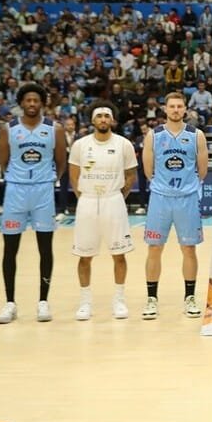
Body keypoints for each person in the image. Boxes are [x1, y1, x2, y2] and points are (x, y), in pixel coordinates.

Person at [0, 83, 67, 324]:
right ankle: (10, 303)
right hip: (16, 191)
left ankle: (43, 302)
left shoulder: (54, 129)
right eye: (28, 101)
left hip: (43, 191)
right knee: (10, 248)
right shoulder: (8, 129)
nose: (32, 104)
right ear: (21, 103)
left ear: (42, 103)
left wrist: (46, 180)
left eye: (36, 100)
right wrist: (19, 178)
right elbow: (3, 161)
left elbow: (61, 162)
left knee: (45, 248)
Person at [142, 92, 209, 320]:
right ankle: (151, 299)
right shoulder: (154, 135)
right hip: (160, 198)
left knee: (189, 249)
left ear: (185, 109)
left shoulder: (195, 135)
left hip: (187, 198)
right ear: (165, 109)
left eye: (180, 106)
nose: (176, 110)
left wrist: (187, 186)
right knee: (154, 248)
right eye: (172, 106)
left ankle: (189, 298)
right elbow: (148, 170)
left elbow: (202, 170)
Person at [68, 101, 138, 320]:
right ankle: (85, 303)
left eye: (107, 116)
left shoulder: (124, 144)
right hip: (87, 201)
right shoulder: (80, 145)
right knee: (84, 255)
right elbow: (73, 175)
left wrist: (118, 197)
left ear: (112, 120)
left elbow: (130, 176)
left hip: (113, 200)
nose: (103, 120)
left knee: (119, 253)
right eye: (99, 116)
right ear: (92, 120)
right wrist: (85, 197)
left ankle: (119, 301)